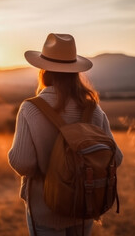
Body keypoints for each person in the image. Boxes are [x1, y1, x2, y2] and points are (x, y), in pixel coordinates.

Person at [8, 33, 123, 236]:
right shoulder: (92, 109)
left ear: (44, 72)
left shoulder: (30, 109)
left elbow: (22, 163)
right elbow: (117, 157)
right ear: (75, 72)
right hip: (84, 206)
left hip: (45, 208)